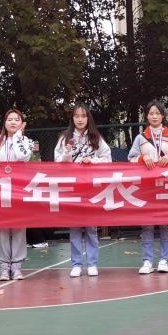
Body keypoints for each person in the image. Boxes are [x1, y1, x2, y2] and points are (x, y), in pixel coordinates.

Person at [54, 104, 112, 277]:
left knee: (91, 227)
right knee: (74, 227)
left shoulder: (96, 137)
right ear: (72, 118)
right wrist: (67, 153)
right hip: (72, 188)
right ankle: (76, 264)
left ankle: (92, 263)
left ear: (88, 118)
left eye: (83, 116)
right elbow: (57, 161)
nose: (80, 119)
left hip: (91, 187)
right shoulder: (65, 138)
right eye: (76, 116)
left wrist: (93, 161)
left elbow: (107, 159)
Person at [128, 102, 168, 274]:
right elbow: (130, 158)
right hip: (147, 187)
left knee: (166, 224)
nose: (155, 116)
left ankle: (164, 260)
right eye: (151, 113)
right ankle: (147, 261)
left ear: (163, 116)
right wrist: (142, 158)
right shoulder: (140, 138)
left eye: (158, 113)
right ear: (147, 116)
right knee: (147, 225)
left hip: (166, 185)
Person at [0, 108, 36, 280]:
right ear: (4, 122)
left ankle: (17, 266)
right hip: (0, 191)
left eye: (17, 119)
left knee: (19, 228)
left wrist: (18, 137)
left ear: (22, 123)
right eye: (10, 119)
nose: (13, 122)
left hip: (19, 190)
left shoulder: (26, 141)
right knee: (2, 229)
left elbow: (23, 157)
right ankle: (4, 267)